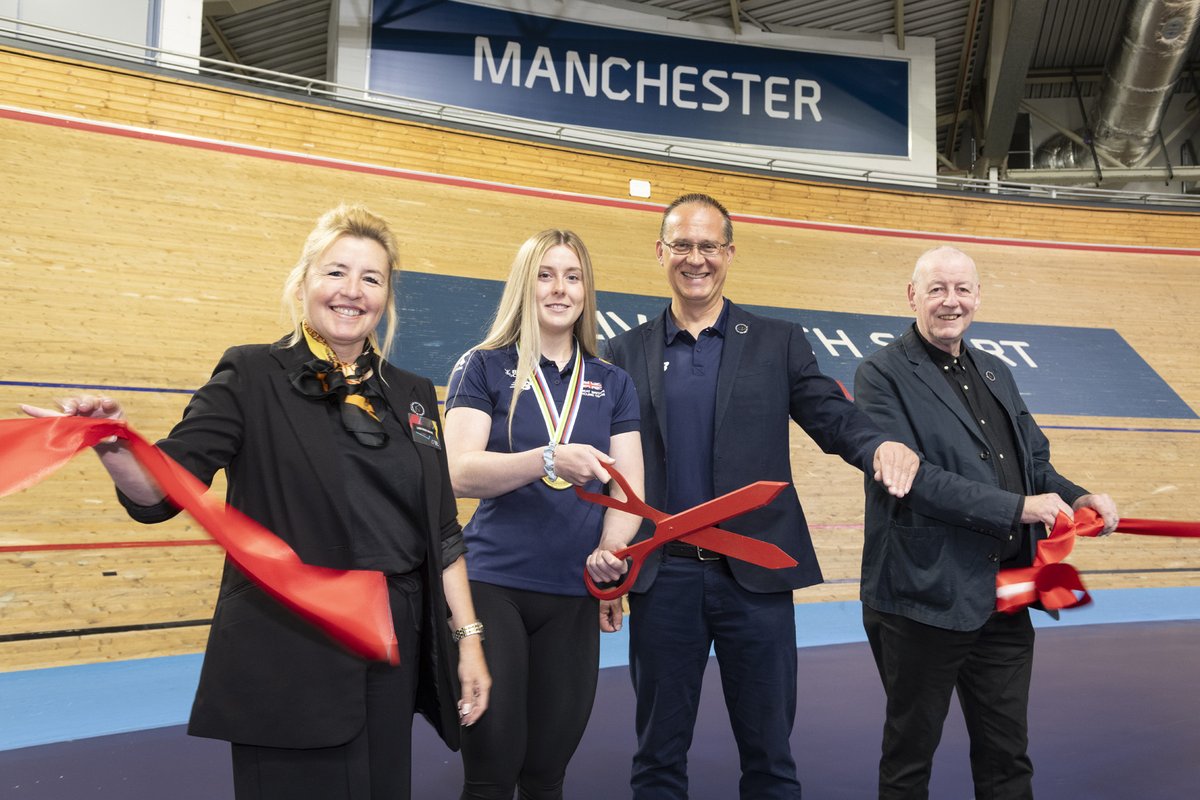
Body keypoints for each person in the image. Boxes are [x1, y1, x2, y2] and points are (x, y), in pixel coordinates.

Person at [21, 204, 491, 800]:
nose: (352, 291)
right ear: (303, 283)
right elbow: (166, 487)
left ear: (387, 298)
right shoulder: (249, 374)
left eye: (371, 279)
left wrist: (467, 639)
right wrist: (117, 446)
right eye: (335, 272)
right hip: (291, 642)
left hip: (393, 642)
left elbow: (442, 529)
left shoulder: (415, 396)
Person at [603, 193, 920, 799]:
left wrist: (878, 446)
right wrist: (608, 563)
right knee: (656, 760)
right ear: (661, 252)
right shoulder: (623, 352)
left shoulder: (779, 342)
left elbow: (831, 416)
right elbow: (605, 470)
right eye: (682, 246)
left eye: (708, 247)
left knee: (771, 758)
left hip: (756, 577)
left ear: (729, 253)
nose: (695, 259)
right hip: (662, 580)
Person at [853, 245, 1119, 799]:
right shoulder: (879, 374)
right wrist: (1020, 509)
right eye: (937, 289)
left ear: (978, 297)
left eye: (962, 290)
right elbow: (914, 480)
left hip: (1003, 596)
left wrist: (1080, 496)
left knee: (1007, 757)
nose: (952, 302)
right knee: (909, 760)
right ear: (912, 296)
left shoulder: (996, 370)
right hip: (921, 598)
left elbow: (1033, 463)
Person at [443, 229, 644, 800]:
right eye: (546, 275)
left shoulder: (613, 382)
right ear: (524, 286)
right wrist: (547, 457)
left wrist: (611, 556)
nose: (560, 289)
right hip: (493, 584)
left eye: (573, 276)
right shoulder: (483, 365)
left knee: (547, 772)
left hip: (573, 593)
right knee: (491, 768)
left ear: (587, 291)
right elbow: (458, 472)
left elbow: (628, 492)